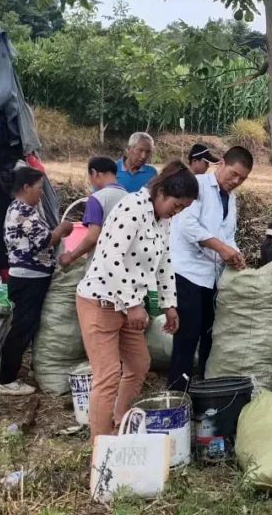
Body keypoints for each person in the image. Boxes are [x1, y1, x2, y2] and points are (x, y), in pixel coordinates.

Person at [75, 161, 197, 436]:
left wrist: (169, 305)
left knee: (139, 365)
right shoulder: (131, 208)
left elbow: (164, 262)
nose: (177, 213)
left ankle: (120, 422)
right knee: (107, 377)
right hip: (101, 302)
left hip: (129, 308)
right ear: (161, 192)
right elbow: (110, 259)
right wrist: (132, 304)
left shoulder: (162, 220)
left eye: (183, 209)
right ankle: (102, 445)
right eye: (177, 205)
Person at [168, 146, 254, 391]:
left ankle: (207, 391)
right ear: (222, 163)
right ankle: (176, 394)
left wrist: (235, 254)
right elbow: (187, 225)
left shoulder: (231, 198)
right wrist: (220, 248)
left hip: (212, 279)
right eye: (234, 174)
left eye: (243, 179)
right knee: (187, 337)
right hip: (188, 274)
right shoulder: (197, 186)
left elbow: (228, 234)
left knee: (210, 336)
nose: (236, 181)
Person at [1, 166, 73, 396]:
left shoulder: (24, 209)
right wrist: (61, 229)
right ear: (26, 187)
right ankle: (6, 379)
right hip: (28, 279)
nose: (41, 193)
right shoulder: (22, 210)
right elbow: (44, 241)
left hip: (32, 277)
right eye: (39, 188)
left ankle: (16, 370)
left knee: (28, 324)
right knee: (22, 326)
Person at [58, 157, 127, 267]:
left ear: (94, 173)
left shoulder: (97, 198)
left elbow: (92, 237)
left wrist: (70, 257)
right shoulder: (130, 198)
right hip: (125, 264)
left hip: (101, 266)